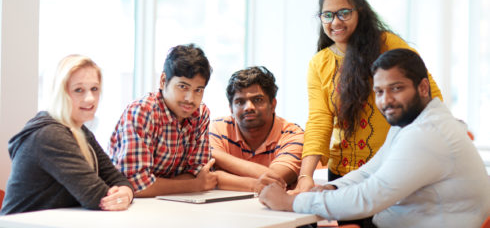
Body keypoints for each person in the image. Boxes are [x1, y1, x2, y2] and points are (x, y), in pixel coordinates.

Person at [259, 49, 490, 228]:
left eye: (396, 88)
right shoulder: (410, 123)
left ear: (423, 87)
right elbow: (370, 172)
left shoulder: (428, 133)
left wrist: (291, 202)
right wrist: (330, 187)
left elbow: (369, 197)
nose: (386, 100)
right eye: (379, 91)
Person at [295, 0, 442, 194]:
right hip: (342, 174)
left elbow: (429, 94)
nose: (335, 22)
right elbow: (319, 120)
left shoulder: (387, 44)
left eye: (344, 13)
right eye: (327, 15)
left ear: (360, 12)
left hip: (393, 167)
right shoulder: (319, 63)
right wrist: (305, 176)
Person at [0, 55, 134, 215]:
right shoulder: (50, 135)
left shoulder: (80, 130)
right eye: (79, 90)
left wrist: (125, 193)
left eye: (94, 89)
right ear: (60, 93)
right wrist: (121, 196)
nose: (90, 98)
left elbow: (117, 179)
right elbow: (96, 197)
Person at [108, 43, 217, 197]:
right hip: (128, 206)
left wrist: (188, 183)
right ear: (163, 80)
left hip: (175, 203)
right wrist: (193, 185)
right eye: (183, 87)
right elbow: (135, 185)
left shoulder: (201, 113)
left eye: (198, 90)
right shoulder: (143, 111)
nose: (190, 99)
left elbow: (199, 171)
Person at [209, 66, 304, 193]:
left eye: (257, 100)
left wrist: (216, 155)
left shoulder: (293, 134)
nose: (248, 107)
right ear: (231, 109)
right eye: (240, 102)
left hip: (274, 209)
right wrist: (254, 184)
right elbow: (207, 177)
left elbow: (275, 179)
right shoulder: (218, 129)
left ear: (273, 104)